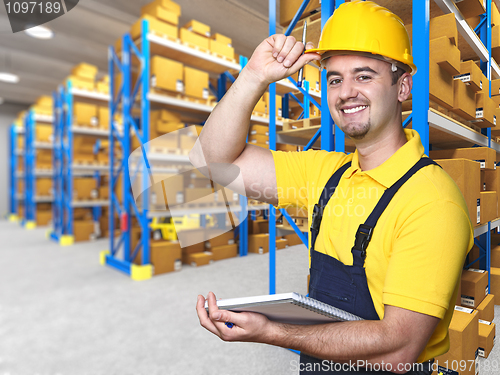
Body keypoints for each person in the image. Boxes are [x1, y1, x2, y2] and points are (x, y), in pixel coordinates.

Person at [193, 1, 473, 374]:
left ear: (402, 86)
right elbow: (213, 164)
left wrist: (273, 331)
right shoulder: (326, 174)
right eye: (335, 79)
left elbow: (397, 353)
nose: (345, 92)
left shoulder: (432, 202)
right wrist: (253, 76)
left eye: (364, 75)